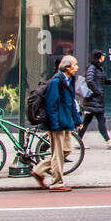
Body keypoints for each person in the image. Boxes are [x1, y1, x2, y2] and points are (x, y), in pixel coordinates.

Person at [31, 55, 81, 192]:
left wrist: (77, 120)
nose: (77, 67)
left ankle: (39, 170)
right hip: (58, 123)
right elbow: (51, 105)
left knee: (65, 150)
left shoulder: (68, 80)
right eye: (75, 65)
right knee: (58, 154)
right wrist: (54, 125)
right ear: (67, 67)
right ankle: (57, 183)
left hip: (65, 122)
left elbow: (71, 103)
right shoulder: (56, 82)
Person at [79, 51, 111, 148]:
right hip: (94, 99)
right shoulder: (92, 68)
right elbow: (89, 80)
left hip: (95, 100)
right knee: (101, 119)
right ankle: (108, 141)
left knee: (86, 121)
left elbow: (103, 80)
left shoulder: (98, 68)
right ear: (99, 57)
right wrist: (97, 91)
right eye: (103, 56)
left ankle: (78, 140)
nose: (104, 58)